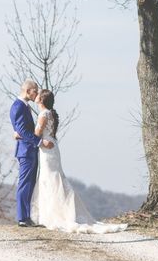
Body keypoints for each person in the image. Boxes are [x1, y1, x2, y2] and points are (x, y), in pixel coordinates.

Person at [19, 89, 127, 234]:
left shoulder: (43, 115)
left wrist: (19, 133)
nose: (36, 95)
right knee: (52, 178)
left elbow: (36, 134)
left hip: (47, 149)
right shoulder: (48, 113)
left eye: (38, 95)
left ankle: (56, 214)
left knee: (50, 178)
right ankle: (53, 212)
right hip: (50, 147)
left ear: (41, 100)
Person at [10, 79, 54, 227]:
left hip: (29, 150)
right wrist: (40, 142)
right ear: (28, 91)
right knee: (25, 184)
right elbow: (22, 130)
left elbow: (21, 130)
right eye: (35, 90)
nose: (36, 93)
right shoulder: (19, 106)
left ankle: (27, 216)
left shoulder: (24, 106)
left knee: (30, 184)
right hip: (26, 151)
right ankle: (22, 218)